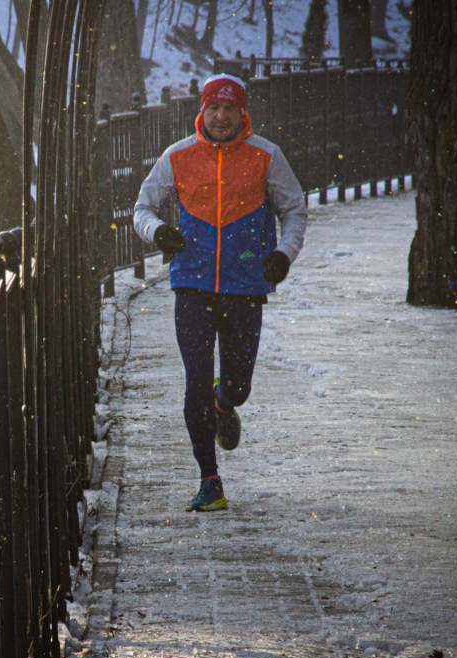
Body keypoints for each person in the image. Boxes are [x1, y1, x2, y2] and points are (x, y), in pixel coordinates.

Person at [133, 73, 307, 512]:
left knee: (239, 384)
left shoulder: (267, 156)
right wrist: (159, 233)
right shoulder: (178, 156)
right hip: (191, 285)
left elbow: (294, 210)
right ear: (202, 110)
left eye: (230, 109)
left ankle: (224, 403)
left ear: (242, 112)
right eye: (214, 108)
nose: (222, 116)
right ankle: (209, 480)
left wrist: (283, 253)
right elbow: (141, 208)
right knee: (194, 381)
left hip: (246, 288)